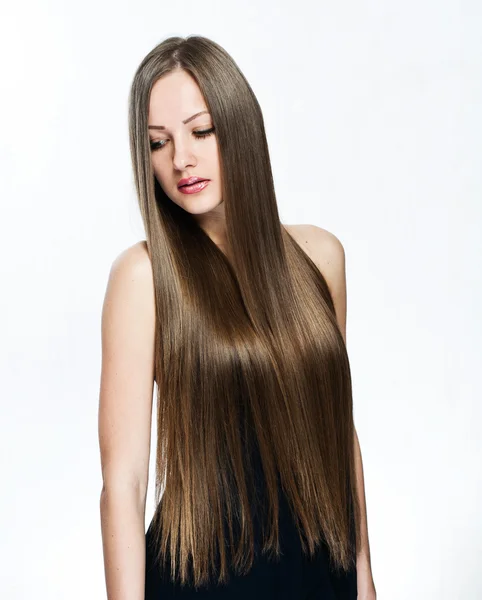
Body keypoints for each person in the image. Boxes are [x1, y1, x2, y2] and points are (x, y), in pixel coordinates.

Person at [98, 35, 376, 600]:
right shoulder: (144, 278)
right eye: (158, 143)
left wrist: (365, 575)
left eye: (201, 132)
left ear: (240, 127)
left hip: (321, 573)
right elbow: (122, 483)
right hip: (203, 577)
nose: (181, 160)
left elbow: (338, 433)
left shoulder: (321, 258)